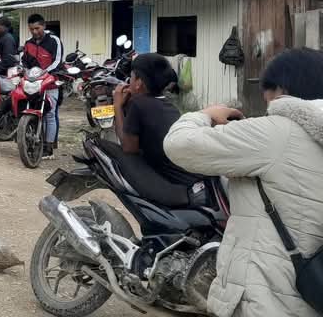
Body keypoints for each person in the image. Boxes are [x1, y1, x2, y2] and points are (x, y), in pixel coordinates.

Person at [164, 48, 323, 317]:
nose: (264, 98)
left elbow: (178, 145)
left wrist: (204, 114)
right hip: (311, 293)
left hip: (266, 296)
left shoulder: (275, 133)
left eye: (266, 90)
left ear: (282, 89)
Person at [111, 53, 196, 185]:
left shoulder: (137, 104)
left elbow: (128, 148)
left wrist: (117, 106)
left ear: (138, 83)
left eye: (131, 77)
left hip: (168, 179)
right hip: (188, 174)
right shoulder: (170, 105)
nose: (129, 81)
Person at [21, 13, 64, 157]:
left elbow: (57, 61)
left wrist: (45, 72)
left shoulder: (54, 40)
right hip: (32, 83)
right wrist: (24, 70)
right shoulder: (28, 43)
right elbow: (24, 61)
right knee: (33, 110)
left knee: (50, 114)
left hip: (50, 82)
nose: (34, 32)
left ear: (43, 26)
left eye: (37, 28)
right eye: (31, 29)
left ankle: (49, 147)